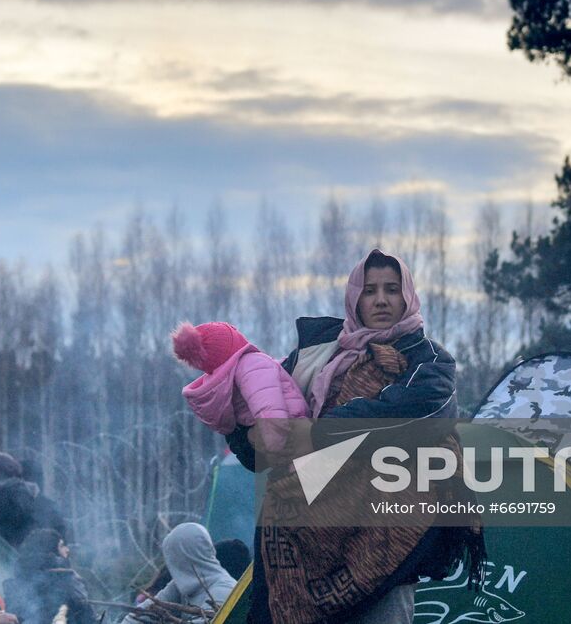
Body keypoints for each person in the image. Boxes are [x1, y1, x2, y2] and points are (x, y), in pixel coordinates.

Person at [226, 249, 485, 624]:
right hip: (305, 544)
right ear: (354, 298)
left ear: (407, 296)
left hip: (385, 542)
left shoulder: (428, 361)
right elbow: (263, 414)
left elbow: (419, 415)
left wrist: (319, 434)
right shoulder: (315, 358)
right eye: (369, 290)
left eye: (392, 289)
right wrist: (249, 436)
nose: (381, 299)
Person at [172, 321, 309, 454]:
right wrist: (278, 445)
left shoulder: (224, 380)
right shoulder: (251, 363)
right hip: (292, 437)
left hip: (265, 439)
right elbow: (267, 407)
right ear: (231, 342)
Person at [132, 523, 236, 619]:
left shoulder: (223, 590)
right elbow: (141, 614)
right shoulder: (181, 587)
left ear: (186, 555)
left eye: (174, 556)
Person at [1, 528, 94, 624]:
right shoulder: (66, 578)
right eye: (62, 546)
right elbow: (87, 617)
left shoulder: (15, 586)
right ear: (51, 552)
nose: (67, 550)